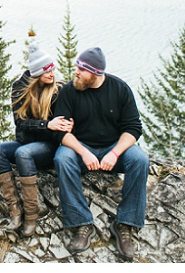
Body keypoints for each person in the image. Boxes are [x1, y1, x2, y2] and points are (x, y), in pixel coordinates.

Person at [52, 46, 149, 259]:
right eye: (77, 67)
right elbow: (60, 133)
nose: (76, 72)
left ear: (95, 73)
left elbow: (133, 129)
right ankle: (82, 223)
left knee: (140, 159)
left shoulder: (120, 89)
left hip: (113, 148)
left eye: (81, 69)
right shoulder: (70, 91)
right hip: (80, 148)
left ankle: (124, 225)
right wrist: (83, 152)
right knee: (62, 158)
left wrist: (114, 153)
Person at [0, 37, 73, 236]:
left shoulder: (59, 90)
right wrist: (46, 124)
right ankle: (15, 212)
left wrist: (46, 127)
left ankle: (32, 216)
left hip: (49, 146)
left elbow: (58, 128)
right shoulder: (19, 89)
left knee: (23, 153)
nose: (52, 74)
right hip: (26, 141)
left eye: (53, 70)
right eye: (47, 71)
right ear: (37, 73)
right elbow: (20, 123)